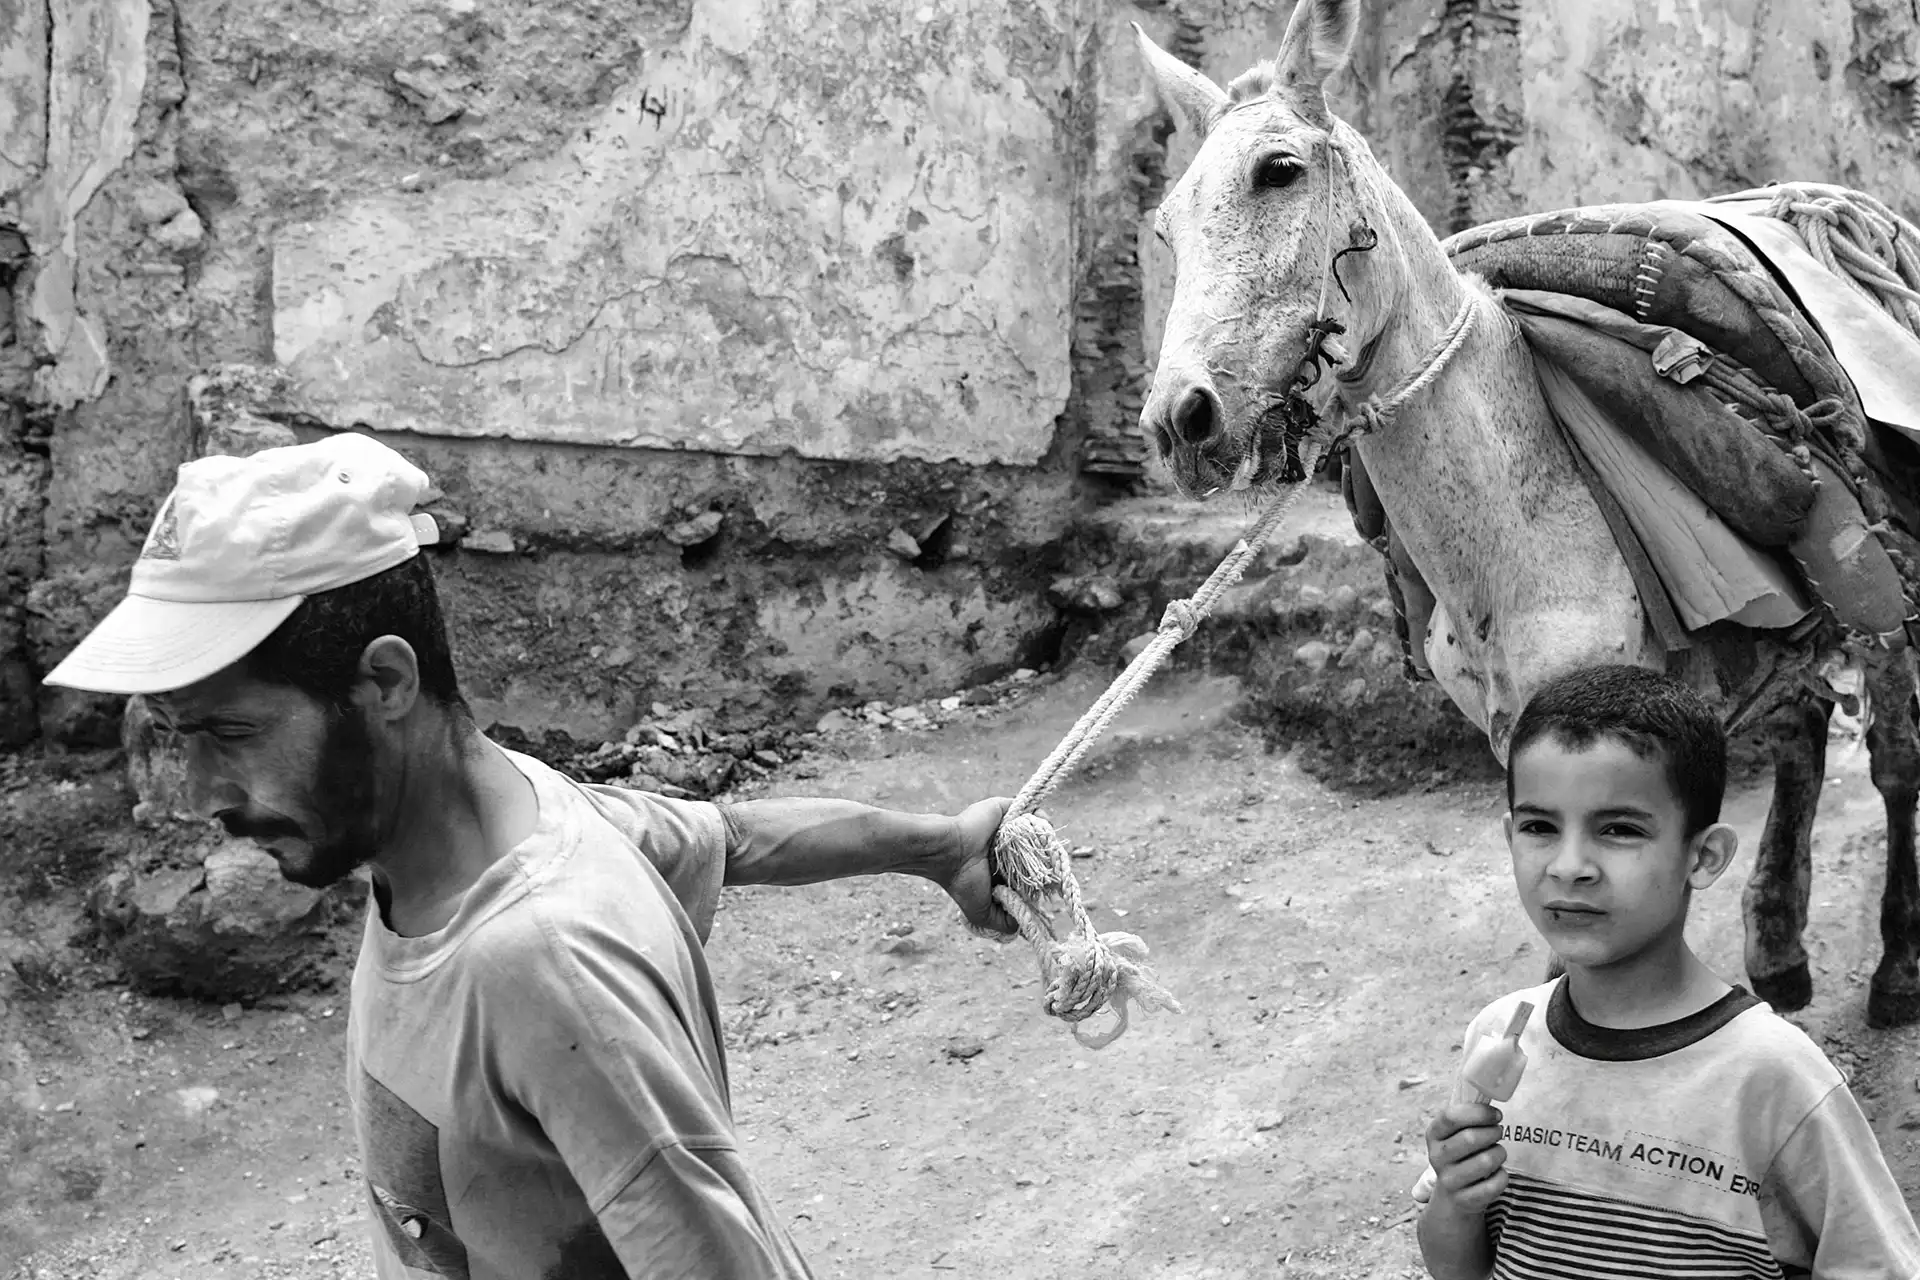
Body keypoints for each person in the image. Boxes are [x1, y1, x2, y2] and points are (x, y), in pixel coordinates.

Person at [44, 431, 1022, 1280]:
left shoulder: (538, 962)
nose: (202, 792)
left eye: (233, 732)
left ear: (385, 680)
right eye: (180, 736)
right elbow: (736, 837)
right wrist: (943, 847)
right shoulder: (519, 800)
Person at [1413, 664, 1920, 1280]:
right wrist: (1456, 1198)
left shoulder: (1774, 1079)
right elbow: (1455, 1268)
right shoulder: (1498, 1034)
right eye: (1540, 827)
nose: (1569, 866)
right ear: (1509, 836)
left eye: (1619, 829)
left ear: (1703, 857)